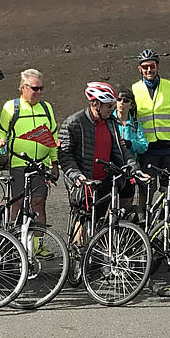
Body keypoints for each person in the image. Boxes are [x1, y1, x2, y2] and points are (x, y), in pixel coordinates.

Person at [56, 82, 128, 236]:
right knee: (83, 221)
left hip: (104, 180)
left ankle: (95, 248)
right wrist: (76, 175)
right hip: (83, 182)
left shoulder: (111, 122)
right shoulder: (74, 122)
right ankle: (79, 250)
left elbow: (122, 150)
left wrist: (135, 169)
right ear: (96, 104)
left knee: (100, 221)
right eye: (109, 106)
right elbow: (64, 155)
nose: (113, 109)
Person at [0, 68, 59, 221]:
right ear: (23, 88)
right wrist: (0, 140)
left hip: (40, 165)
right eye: (35, 88)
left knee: (39, 203)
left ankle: (39, 237)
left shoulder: (46, 107)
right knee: (17, 203)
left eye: (41, 88)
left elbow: (52, 137)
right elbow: (1, 131)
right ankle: (12, 235)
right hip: (19, 163)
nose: (39, 92)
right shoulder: (11, 106)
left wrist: (55, 163)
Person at [128, 50, 170, 180]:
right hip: (147, 148)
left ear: (157, 66)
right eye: (145, 67)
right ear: (140, 69)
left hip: (169, 147)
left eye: (152, 66)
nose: (149, 70)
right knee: (147, 186)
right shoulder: (134, 89)